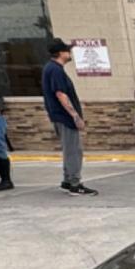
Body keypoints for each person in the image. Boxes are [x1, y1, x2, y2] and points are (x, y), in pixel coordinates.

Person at [41, 38, 97, 196]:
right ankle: (75, 183)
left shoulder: (51, 68)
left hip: (59, 116)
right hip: (65, 117)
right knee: (74, 150)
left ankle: (67, 181)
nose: (69, 52)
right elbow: (60, 94)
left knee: (69, 149)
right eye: (67, 50)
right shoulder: (56, 70)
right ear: (60, 53)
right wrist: (75, 116)